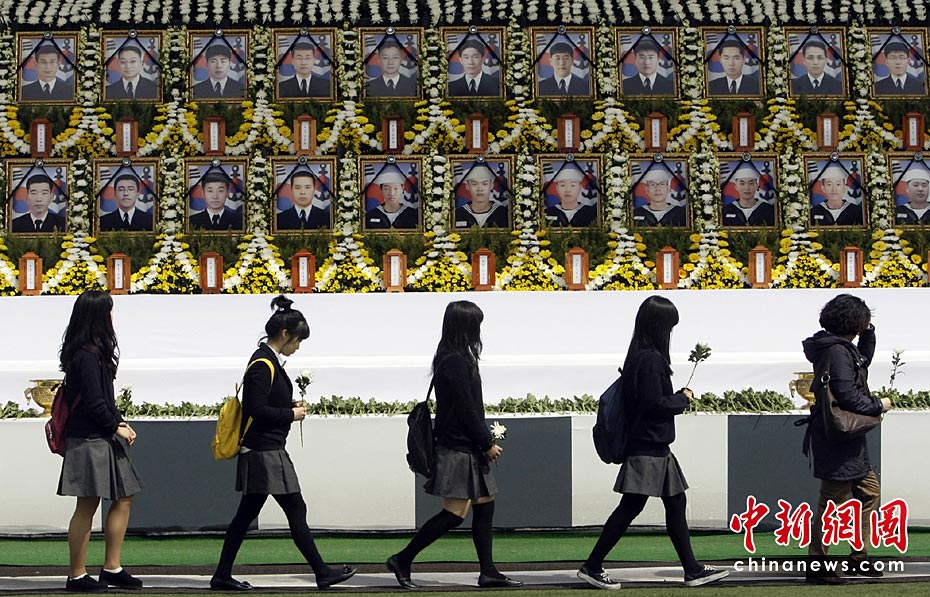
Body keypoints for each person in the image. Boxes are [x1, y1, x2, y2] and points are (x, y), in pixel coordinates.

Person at [577, 296, 729, 590]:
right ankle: (593, 566)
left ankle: (692, 569)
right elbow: (653, 405)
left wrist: (675, 399)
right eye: (669, 327)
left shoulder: (640, 356)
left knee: (671, 503)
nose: (670, 333)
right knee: (634, 506)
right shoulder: (650, 360)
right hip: (649, 446)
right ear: (660, 327)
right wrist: (682, 399)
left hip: (651, 446)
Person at [211, 295, 357, 592]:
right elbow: (255, 408)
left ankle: (223, 575)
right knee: (292, 509)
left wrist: (288, 407)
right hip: (265, 450)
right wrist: (291, 414)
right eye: (298, 340)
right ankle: (321, 572)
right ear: (285, 334)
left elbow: (262, 403)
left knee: (250, 515)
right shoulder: (263, 364)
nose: (298, 346)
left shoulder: (266, 360)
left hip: (264, 449)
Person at [386, 301, 522, 590]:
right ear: (466, 328)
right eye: (476, 325)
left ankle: (488, 571)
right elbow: (466, 409)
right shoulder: (456, 361)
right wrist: (486, 443)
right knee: (454, 513)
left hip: (464, 447)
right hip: (460, 448)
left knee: (484, 505)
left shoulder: (450, 357)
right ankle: (402, 559)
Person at [801, 294, 891, 585]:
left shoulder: (836, 347)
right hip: (838, 438)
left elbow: (861, 362)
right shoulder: (837, 351)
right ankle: (817, 563)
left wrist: (869, 334)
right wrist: (878, 405)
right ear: (854, 322)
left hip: (847, 438)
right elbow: (847, 394)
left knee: (869, 493)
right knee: (832, 502)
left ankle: (858, 557)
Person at [57, 290, 143, 592]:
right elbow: (94, 402)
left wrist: (118, 422)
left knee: (124, 496)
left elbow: (104, 399)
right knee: (87, 504)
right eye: (109, 310)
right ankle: (77, 575)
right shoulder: (87, 355)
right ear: (99, 317)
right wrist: (116, 426)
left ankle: (111, 567)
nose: (112, 316)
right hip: (89, 438)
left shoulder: (93, 353)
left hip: (100, 436)